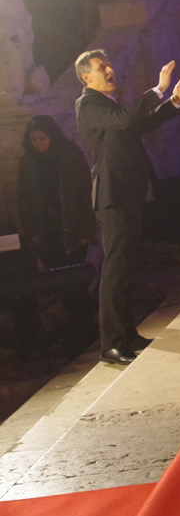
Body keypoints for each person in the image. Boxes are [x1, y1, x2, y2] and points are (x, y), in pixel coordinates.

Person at [74, 51, 180, 363]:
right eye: (102, 67)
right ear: (87, 77)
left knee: (126, 268)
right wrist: (158, 89)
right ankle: (111, 344)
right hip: (111, 198)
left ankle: (127, 333)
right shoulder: (88, 104)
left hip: (127, 193)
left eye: (109, 64)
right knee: (114, 271)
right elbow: (125, 119)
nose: (110, 69)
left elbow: (141, 123)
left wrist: (174, 102)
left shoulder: (109, 105)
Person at [17, 115, 98, 347]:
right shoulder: (28, 161)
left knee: (76, 281)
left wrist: (86, 230)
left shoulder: (70, 155)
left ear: (52, 136)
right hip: (47, 231)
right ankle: (78, 327)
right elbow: (23, 198)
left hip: (71, 229)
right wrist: (29, 231)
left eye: (42, 138)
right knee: (61, 283)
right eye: (33, 139)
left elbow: (85, 192)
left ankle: (88, 327)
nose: (38, 143)